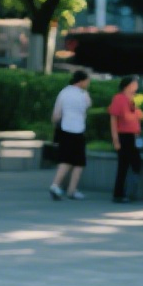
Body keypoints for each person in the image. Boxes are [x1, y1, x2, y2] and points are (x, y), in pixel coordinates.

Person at [49, 69, 92, 201]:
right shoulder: (84, 94)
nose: (88, 83)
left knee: (65, 160)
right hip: (79, 131)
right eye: (87, 81)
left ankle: (56, 185)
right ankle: (71, 190)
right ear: (82, 81)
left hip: (65, 130)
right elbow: (88, 105)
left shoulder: (64, 92)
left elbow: (56, 115)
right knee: (79, 162)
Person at [108, 76, 143, 203]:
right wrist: (115, 140)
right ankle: (119, 194)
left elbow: (138, 116)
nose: (136, 86)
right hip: (124, 136)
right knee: (123, 165)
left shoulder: (133, 99)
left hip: (135, 136)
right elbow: (113, 119)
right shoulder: (119, 98)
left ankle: (130, 191)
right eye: (134, 83)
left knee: (136, 163)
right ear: (127, 85)